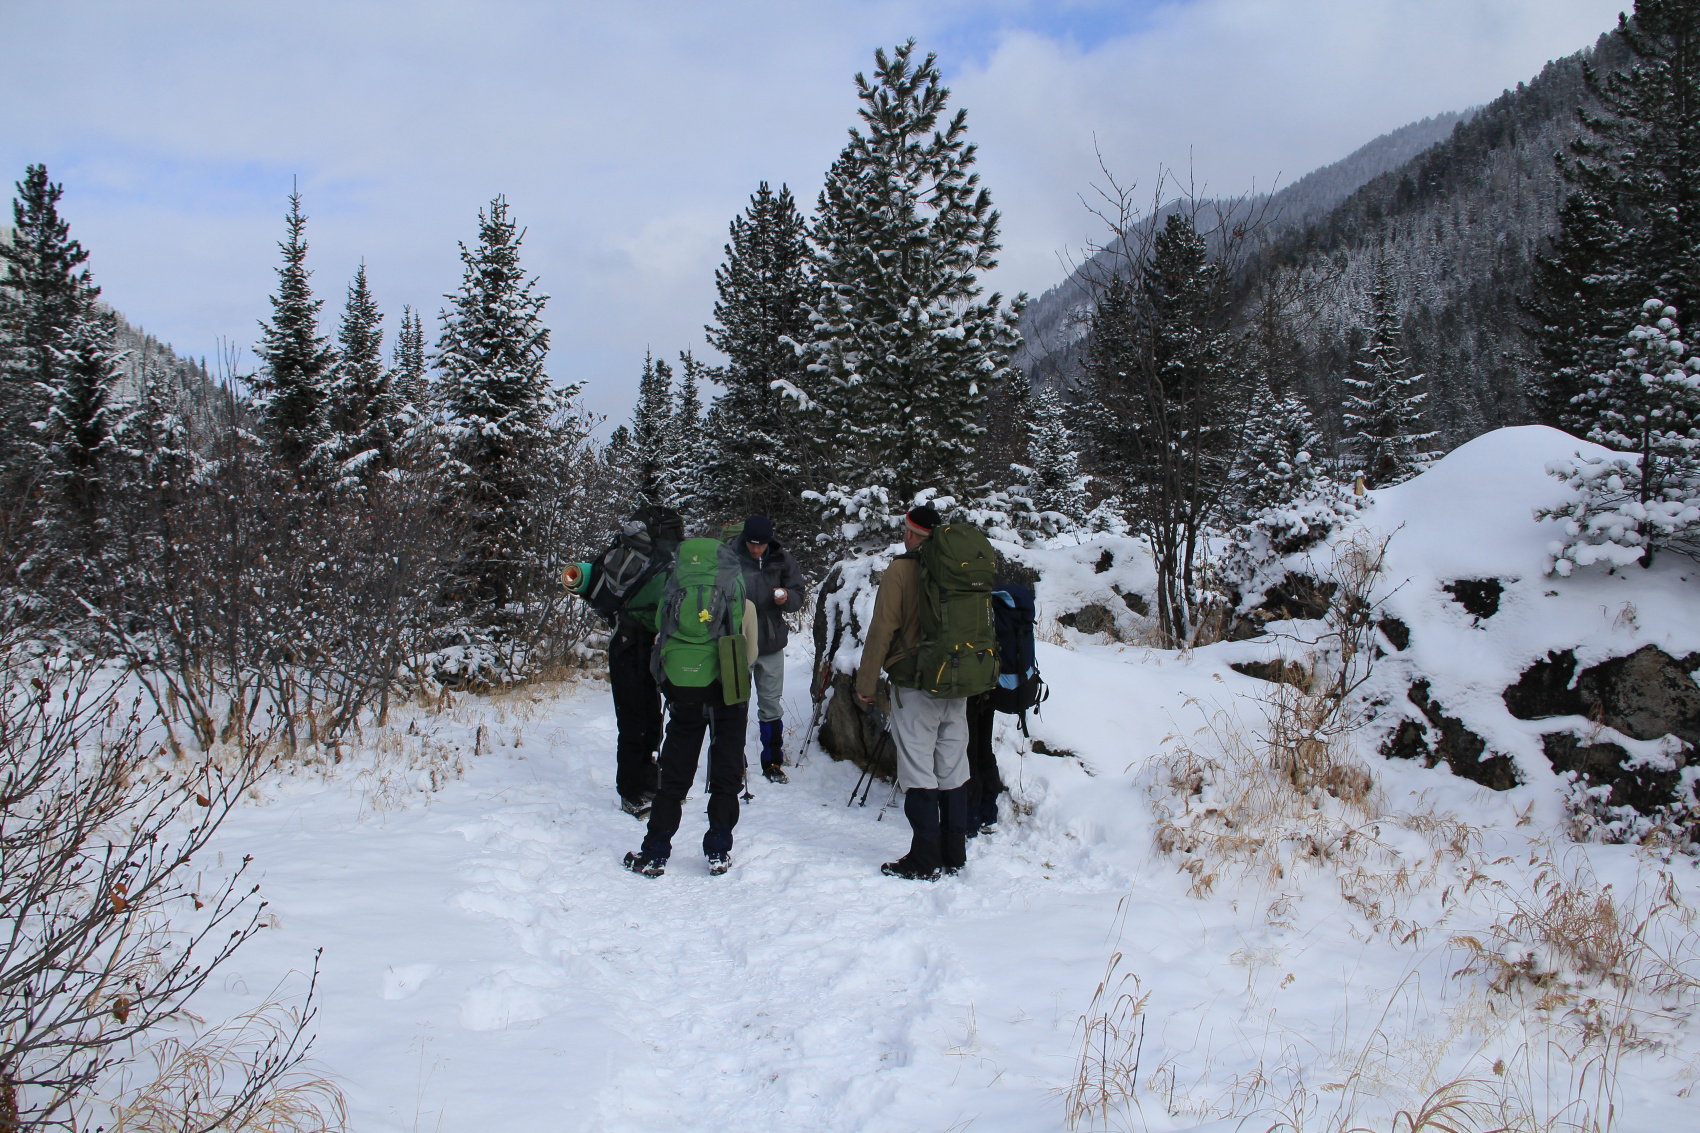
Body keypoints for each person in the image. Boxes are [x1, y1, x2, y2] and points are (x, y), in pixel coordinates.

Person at [623, 536, 760, 878]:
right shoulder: (739, 595)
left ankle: (655, 851)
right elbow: (751, 653)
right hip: (729, 690)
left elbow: (660, 628)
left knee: (674, 773)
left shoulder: (675, 589)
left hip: (684, 689)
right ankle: (718, 850)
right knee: (727, 772)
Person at [854, 503, 974, 880]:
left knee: (918, 769)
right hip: (957, 682)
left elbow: (882, 629)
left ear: (910, 533)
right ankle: (954, 853)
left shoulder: (901, 570)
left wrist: (865, 683)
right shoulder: (957, 568)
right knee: (953, 767)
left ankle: (924, 859)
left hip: (916, 683)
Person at [561, 506, 683, 819]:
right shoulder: (660, 564)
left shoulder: (641, 557)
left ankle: (645, 782)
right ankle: (631, 791)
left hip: (628, 643)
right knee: (636, 720)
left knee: (643, 716)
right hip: (638, 644)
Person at [733, 514, 807, 783]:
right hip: (739, 642)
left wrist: (787, 598)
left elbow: (798, 593)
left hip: (772, 641)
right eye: (752, 544)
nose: (756, 549)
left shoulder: (781, 558)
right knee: (736, 705)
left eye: (761, 544)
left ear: (769, 541)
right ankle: (734, 763)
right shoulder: (730, 556)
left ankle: (773, 762)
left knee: (771, 705)